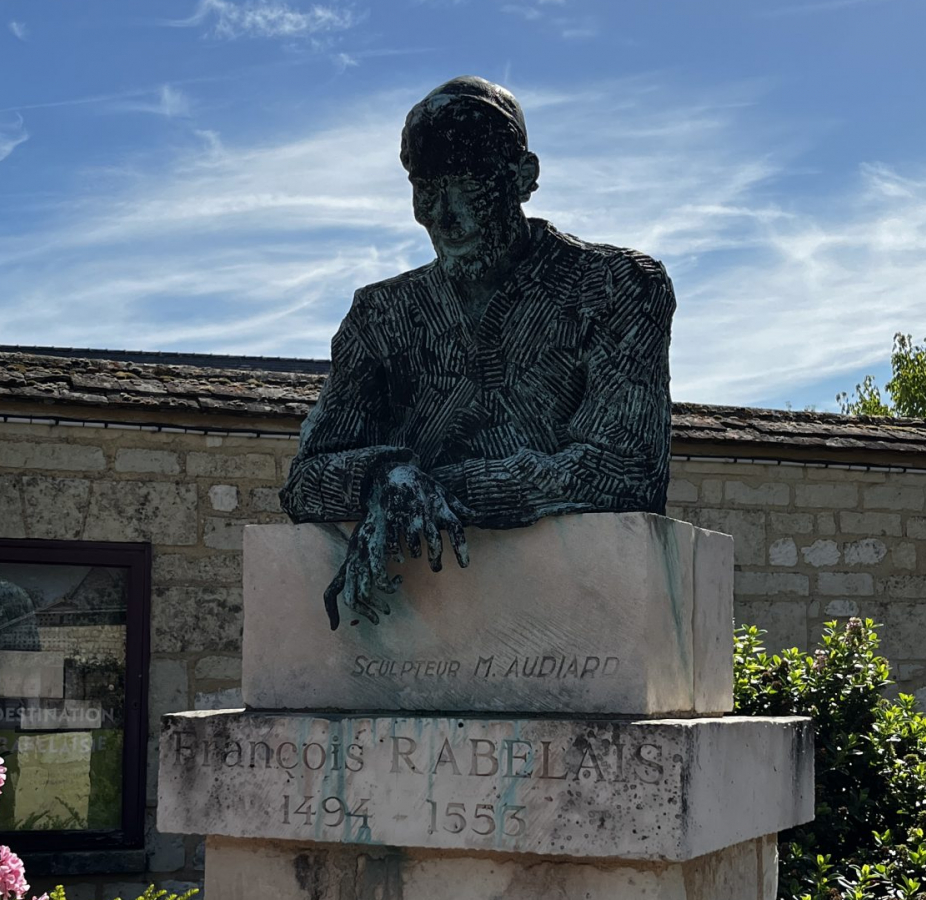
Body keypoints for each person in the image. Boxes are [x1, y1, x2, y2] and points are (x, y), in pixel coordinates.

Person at [280, 76, 676, 629]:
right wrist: (384, 475)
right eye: (427, 188)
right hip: (421, 620)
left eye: (468, 184)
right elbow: (305, 480)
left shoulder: (614, 285)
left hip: (573, 615)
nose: (444, 215)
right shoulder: (382, 314)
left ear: (522, 178)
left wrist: (431, 493)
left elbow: (621, 469)